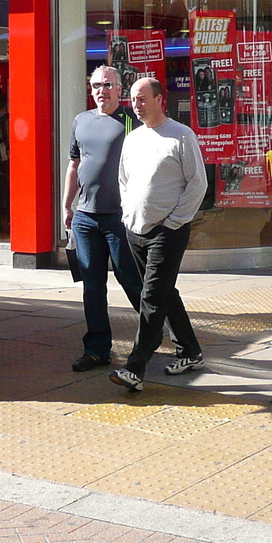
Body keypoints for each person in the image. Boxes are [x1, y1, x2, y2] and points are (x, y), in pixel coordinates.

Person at [109, 77, 207, 393]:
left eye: (142, 98)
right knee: (163, 292)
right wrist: (127, 213)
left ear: (159, 99)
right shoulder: (133, 138)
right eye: (133, 99)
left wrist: (175, 221)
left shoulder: (181, 136)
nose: (136, 105)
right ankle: (190, 351)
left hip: (168, 231)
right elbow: (123, 179)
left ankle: (135, 367)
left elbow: (197, 183)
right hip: (135, 228)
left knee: (151, 298)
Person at [63, 66, 142, 372]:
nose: (101, 90)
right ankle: (97, 349)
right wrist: (67, 206)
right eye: (96, 85)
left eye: (108, 85)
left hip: (119, 218)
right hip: (85, 217)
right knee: (92, 286)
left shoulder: (130, 120)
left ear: (120, 89)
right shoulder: (81, 121)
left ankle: (161, 334)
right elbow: (74, 165)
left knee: (131, 280)